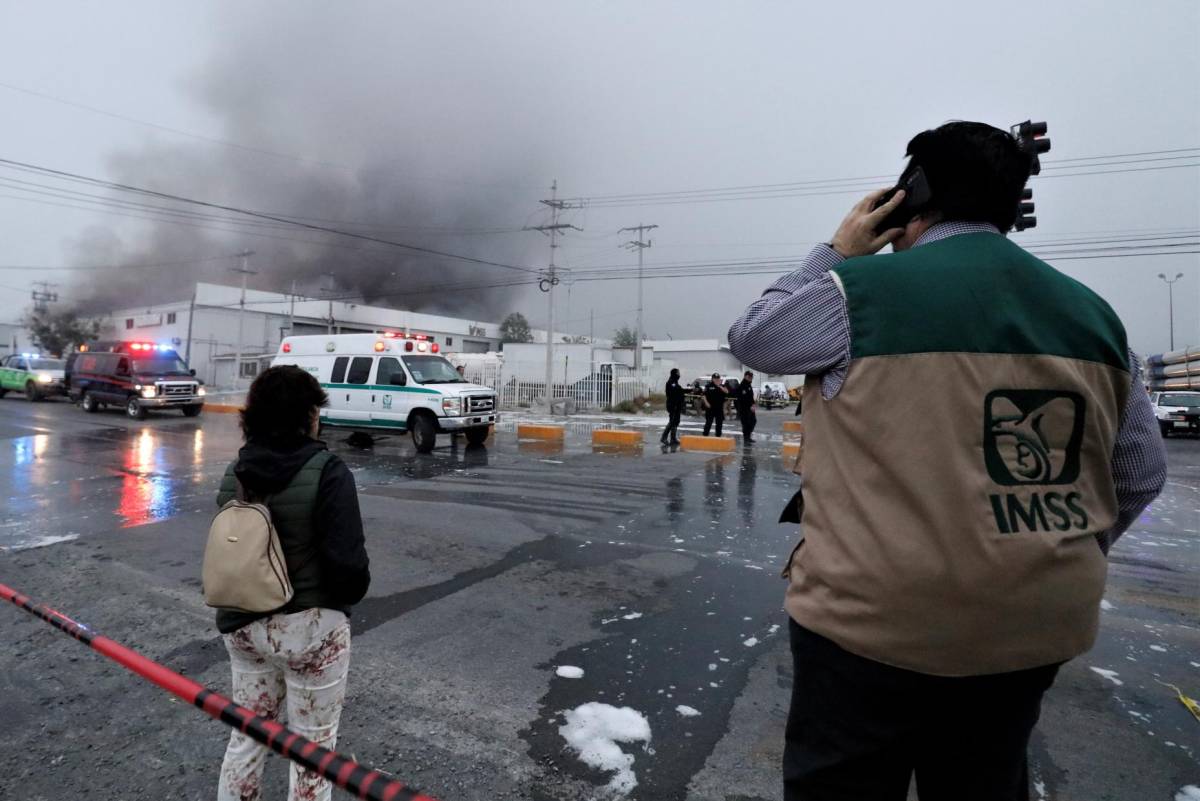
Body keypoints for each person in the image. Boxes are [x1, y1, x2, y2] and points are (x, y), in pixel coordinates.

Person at [728, 121, 1166, 801]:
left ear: (913, 194)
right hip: (1030, 629)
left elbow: (753, 336)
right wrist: (1040, 549)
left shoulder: (859, 295)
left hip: (870, 627)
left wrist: (836, 251)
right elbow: (1140, 474)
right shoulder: (1096, 319)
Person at [215, 365, 371, 801]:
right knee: (313, 750)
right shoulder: (329, 470)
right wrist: (344, 600)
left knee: (247, 736)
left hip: (243, 624)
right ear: (308, 415)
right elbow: (348, 568)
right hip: (310, 631)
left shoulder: (236, 473)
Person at [662, 367, 685, 445]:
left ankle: (673, 439)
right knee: (672, 422)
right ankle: (663, 438)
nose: (679, 374)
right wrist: (682, 391)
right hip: (672, 405)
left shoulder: (675, 382)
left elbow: (679, 390)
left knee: (676, 421)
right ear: (675, 374)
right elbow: (676, 391)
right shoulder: (671, 382)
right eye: (678, 373)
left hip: (677, 405)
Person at [702, 372, 728, 436]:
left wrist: (719, 386)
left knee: (719, 423)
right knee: (708, 422)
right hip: (710, 407)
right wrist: (706, 403)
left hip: (719, 407)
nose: (716, 380)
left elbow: (727, 392)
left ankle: (718, 436)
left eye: (718, 378)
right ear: (712, 379)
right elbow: (703, 395)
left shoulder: (722, 386)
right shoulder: (708, 386)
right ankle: (705, 436)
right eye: (715, 378)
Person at [734, 371, 757, 443]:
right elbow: (743, 399)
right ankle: (746, 438)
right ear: (745, 376)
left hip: (750, 408)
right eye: (749, 377)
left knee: (753, 421)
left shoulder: (749, 385)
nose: (751, 378)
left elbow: (750, 397)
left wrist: (753, 404)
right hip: (744, 408)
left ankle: (748, 436)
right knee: (746, 423)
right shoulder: (741, 386)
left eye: (751, 377)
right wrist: (750, 406)